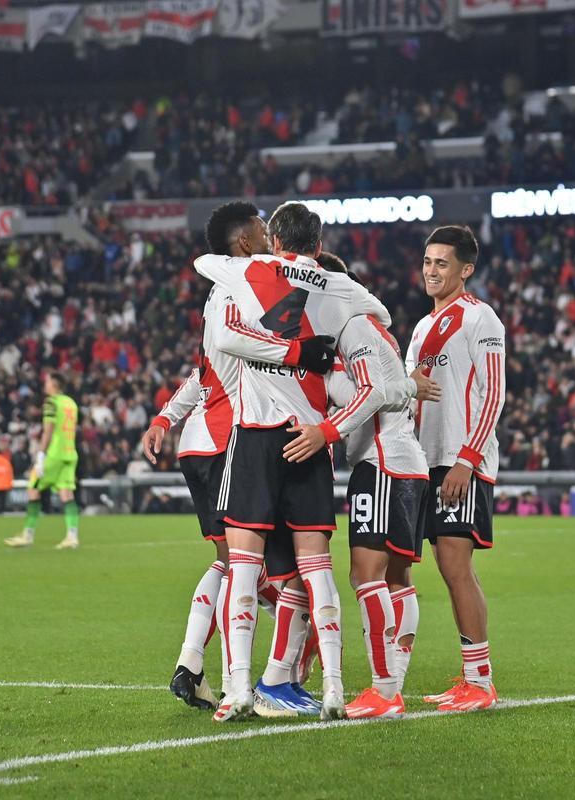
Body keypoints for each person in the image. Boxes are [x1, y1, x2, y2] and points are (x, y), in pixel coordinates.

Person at [194, 201, 391, 722]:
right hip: (309, 441)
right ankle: (332, 688)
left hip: (255, 436)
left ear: (274, 239)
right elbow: (382, 314)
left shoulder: (248, 273)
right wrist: (318, 326)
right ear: (320, 243)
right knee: (317, 569)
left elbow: (208, 282)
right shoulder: (337, 286)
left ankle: (238, 690)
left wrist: (281, 332)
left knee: (242, 566)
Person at [142, 201, 335, 713]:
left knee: (236, 563)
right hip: (234, 439)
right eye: (259, 224)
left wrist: (165, 418)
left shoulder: (230, 290)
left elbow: (203, 371)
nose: (268, 230)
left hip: (207, 438)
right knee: (251, 563)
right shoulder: (239, 291)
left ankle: (200, 667)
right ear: (246, 242)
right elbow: (237, 356)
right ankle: (249, 681)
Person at [286, 252, 441, 719]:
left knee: (365, 577)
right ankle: (390, 683)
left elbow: (371, 392)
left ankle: (384, 690)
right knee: (397, 578)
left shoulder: (355, 327)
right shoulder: (369, 330)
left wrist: (326, 432)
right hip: (399, 462)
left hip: (383, 464)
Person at [406, 225, 506, 713]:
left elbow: (493, 393)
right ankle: (470, 676)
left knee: (454, 565)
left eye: (441, 263)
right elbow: (407, 387)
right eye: (427, 261)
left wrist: (467, 460)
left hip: (459, 460)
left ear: (465, 270)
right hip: (422, 460)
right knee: (436, 568)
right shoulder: (423, 327)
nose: (430, 270)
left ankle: (480, 682)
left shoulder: (481, 318)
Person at [4, 372, 82, 549]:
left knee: (32, 487)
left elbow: (48, 431)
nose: (44, 384)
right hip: (70, 453)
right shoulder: (71, 402)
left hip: (54, 454)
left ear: (54, 384)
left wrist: (40, 456)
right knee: (66, 494)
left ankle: (27, 535)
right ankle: (72, 537)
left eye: (46, 381)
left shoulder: (51, 402)